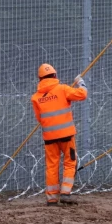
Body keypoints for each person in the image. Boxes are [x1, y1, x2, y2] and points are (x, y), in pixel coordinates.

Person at [31, 63, 87, 206]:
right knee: (69, 163)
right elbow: (82, 95)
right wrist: (81, 82)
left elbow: (40, 119)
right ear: (55, 75)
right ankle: (65, 192)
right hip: (67, 135)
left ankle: (51, 198)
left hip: (49, 137)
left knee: (51, 166)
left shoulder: (36, 97)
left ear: (40, 79)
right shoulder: (62, 89)